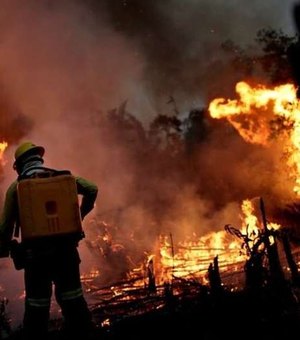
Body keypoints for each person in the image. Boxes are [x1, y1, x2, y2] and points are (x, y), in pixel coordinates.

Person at [0, 141, 98, 339]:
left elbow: (5, 228)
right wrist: (80, 215)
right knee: (73, 300)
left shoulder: (16, 188)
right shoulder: (64, 178)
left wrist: (4, 250)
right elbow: (92, 188)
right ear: (39, 158)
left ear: (18, 165)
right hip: (67, 254)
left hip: (35, 259)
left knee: (37, 306)